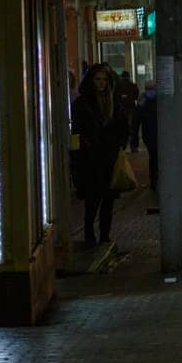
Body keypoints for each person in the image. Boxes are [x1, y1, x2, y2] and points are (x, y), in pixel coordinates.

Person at [71, 63, 131, 248]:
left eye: (104, 80)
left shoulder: (113, 101)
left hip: (109, 156)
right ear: (91, 80)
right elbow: (77, 130)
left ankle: (104, 235)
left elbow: (122, 126)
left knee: (108, 199)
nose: (101, 83)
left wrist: (120, 143)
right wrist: (81, 150)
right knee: (92, 199)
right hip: (90, 158)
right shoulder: (82, 103)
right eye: (98, 79)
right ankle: (90, 234)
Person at [132, 82, 160, 193]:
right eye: (149, 89)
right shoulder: (142, 102)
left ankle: (155, 181)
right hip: (150, 136)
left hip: (153, 135)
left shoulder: (158, 101)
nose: (151, 91)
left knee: (155, 159)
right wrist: (134, 141)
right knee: (154, 158)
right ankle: (154, 181)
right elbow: (136, 122)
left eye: (152, 88)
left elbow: (135, 122)